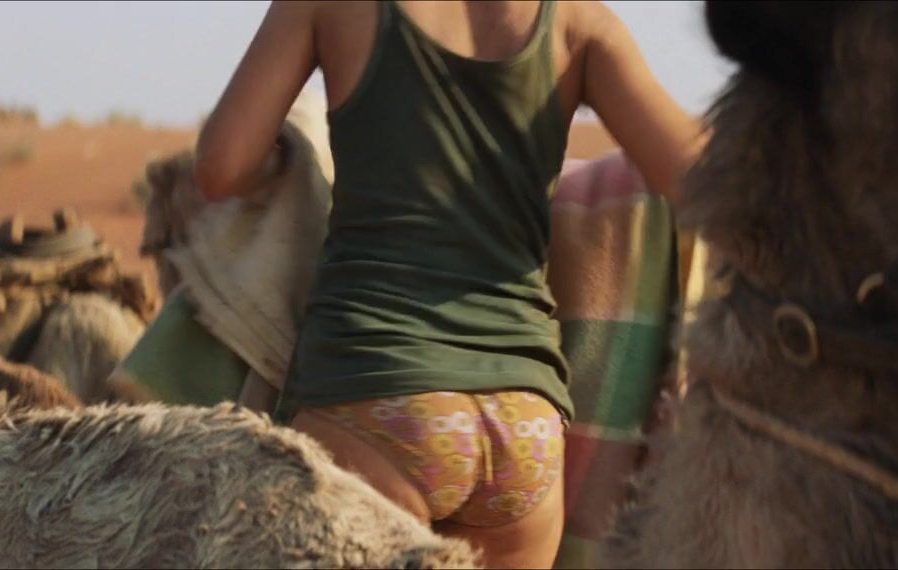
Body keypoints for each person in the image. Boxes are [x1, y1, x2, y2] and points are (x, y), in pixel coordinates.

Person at [193, 1, 703, 567]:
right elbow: (704, 185)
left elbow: (221, 168)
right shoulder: (580, 23)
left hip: (374, 393)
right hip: (523, 422)